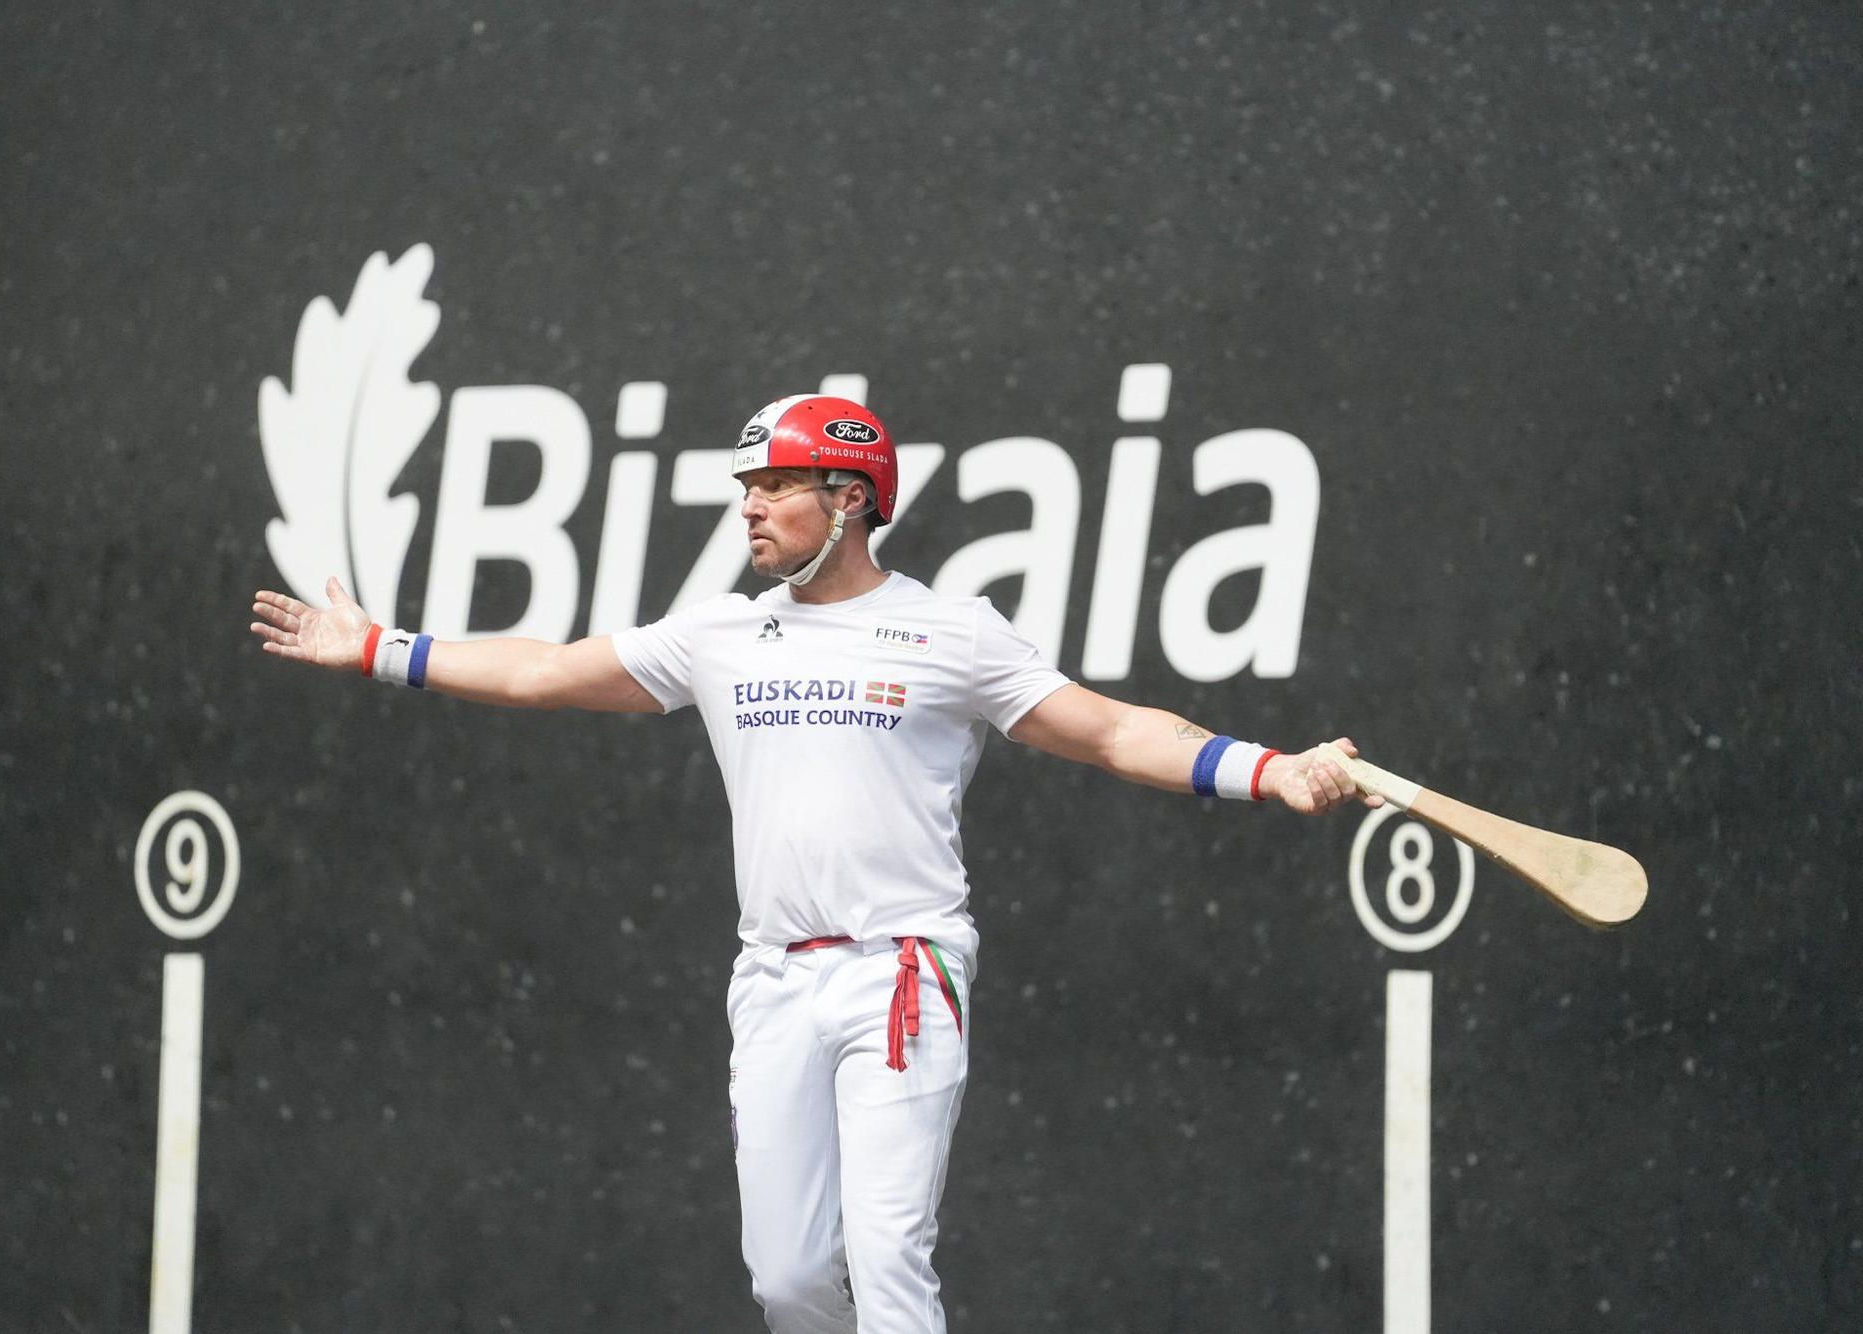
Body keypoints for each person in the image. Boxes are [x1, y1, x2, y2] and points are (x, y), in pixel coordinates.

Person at [250, 394, 1379, 1333]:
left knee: (887, 1259)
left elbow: (1115, 731)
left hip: (902, 973)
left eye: (776, 485)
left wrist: (1271, 769)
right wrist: (381, 649)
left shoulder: (952, 632)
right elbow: (545, 670)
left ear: (851, 498)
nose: (749, 505)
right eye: (745, 485)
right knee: (789, 1281)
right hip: (773, 982)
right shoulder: (720, 635)